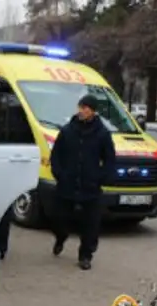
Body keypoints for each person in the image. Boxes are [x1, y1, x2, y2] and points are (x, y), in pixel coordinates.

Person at [49, 95, 116, 270]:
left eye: (87, 108)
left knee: (91, 225)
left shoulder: (102, 134)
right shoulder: (67, 131)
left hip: (90, 187)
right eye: (81, 107)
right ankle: (60, 237)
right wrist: (60, 174)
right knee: (59, 218)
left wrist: (100, 178)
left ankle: (85, 255)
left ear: (93, 111)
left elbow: (110, 160)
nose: (83, 110)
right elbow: (56, 156)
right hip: (67, 185)